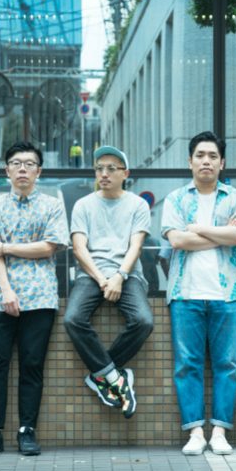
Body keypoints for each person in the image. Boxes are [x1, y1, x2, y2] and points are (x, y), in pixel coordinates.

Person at [0, 141, 69, 457]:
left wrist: (6, 247)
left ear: (39, 171)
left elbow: (49, 246)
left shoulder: (52, 206)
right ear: (7, 170)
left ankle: (27, 431)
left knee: (32, 365)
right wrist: (7, 291)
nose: (23, 169)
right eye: (16, 163)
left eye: (29, 164)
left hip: (40, 298)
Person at [162, 131, 236, 456]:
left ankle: (220, 432)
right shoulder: (175, 199)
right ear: (190, 161)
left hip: (227, 295)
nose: (206, 161)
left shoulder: (235, 197)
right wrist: (222, 234)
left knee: (227, 364)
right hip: (185, 295)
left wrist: (198, 229)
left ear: (221, 163)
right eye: (200, 155)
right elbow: (177, 241)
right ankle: (196, 431)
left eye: (213, 156)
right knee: (187, 364)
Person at [63, 145, 153, 419]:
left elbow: (136, 246)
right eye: (99, 168)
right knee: (72, 319)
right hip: (91, 274)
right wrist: (103, 279)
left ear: (125, 173)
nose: (104, 173)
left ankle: (99, 375)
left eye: (111, 168)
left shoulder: (137, 205)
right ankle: (114, 377)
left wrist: (119, 276)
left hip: (127, 273)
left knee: (143, 321)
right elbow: (79, 249)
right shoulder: (83, 205)